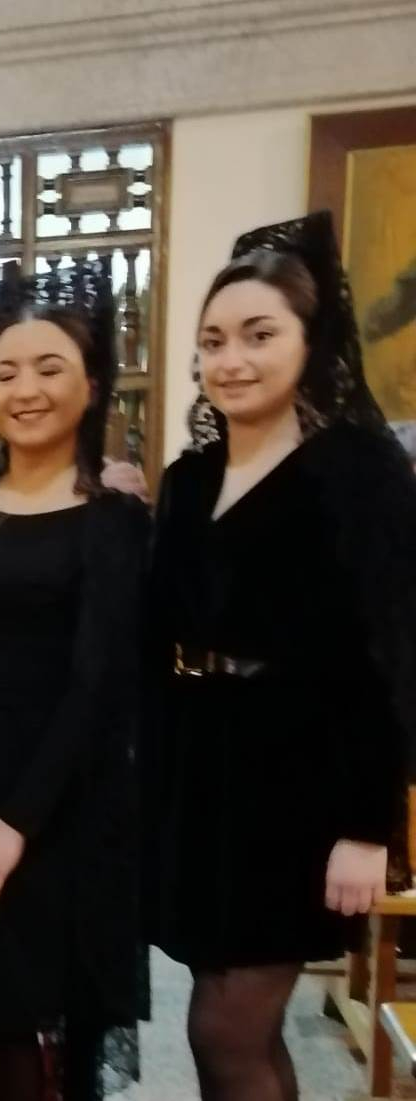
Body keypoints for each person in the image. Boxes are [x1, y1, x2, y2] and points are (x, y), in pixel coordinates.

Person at [147, 211, 416, 1101]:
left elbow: (387, 653)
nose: (232, 359)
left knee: (225, 1025)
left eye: (260, 335)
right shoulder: (189, 479)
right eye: (213, 340)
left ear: (311, 340)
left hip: (300, 779)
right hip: (201, 775)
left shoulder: (358, 471)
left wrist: (369, 827)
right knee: (234, 1022)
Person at [0, 264, 148, 1101]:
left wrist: (15, 824)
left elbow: (98, 688)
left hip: (53, 808)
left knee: (27, 1042)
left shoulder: (114, 521)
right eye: (5, 371)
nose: (25, 389)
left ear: (93, 385)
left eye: (50, 368)